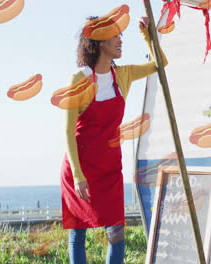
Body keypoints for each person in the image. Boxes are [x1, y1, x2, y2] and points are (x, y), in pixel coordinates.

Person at [60, 15, 167, 264]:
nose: (120, 40)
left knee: (117, 233)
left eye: (120, 35)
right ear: (98, 42)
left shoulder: (124, 75)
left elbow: (160, 63)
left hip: (109, 168)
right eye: (115, 36)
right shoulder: (78, 80)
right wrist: (78, 176)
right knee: (78, 232)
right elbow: (67, 132)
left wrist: (147, 36)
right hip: (81, 167)